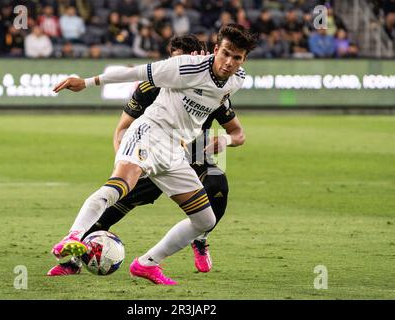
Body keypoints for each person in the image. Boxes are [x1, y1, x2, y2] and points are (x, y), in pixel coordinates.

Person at [51, 24, 257, 285]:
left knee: (205, 220)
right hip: (150, 132)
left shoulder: (237, 80)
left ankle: (146, 264)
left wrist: (224, 139)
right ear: (215, 49)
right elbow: (136, 72)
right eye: (225, 53)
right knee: (120, 186)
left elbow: (236, 130)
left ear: (243, 60)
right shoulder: (185, 67)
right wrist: (87, 82)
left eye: (236, 57)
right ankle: (73, 237)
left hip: (176, 151)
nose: (229, 62)